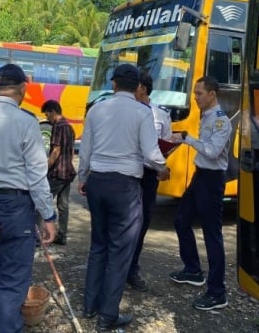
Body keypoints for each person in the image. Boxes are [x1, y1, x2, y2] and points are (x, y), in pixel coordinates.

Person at [78, 63, 169, 332]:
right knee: (119, 252)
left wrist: (83, 178)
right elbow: (151, 153)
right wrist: (163, 169)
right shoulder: (143, 112)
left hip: (97, 182)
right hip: (125, 188)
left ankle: (89, 305)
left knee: (98, 245)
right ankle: (108, 315)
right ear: (137, 86)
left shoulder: (96, 109)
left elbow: (85, 150)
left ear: (114, 84)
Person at [0, 63, 57, 333]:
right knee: (13, 281)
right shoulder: (27, 123)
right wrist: (49, 216)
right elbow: (37, 177)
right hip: (17, 207)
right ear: (22, 89)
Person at [169, 76, 232, 311]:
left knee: (211, 235)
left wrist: (187, 140)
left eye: (199, 93)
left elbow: (213, 152)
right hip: (200, 176)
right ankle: (193, 270)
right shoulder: (206, 116)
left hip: (212, 180)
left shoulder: (220, 121)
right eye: (195, 93)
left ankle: (217, 292)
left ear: (212, 94)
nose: (195, 98)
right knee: (181, 220)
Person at [127, 71, 172, 292]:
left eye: (133, 87)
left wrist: (162, 162)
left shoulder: (161, 115)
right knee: (123, 222)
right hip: (128, 174)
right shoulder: (126, 112)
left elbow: (166, 144)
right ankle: (118, 266)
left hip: (149, 175)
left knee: (142, 223)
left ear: (142, 88)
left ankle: (132, 268)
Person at [41, 99, 76, 246]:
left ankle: (42, 235)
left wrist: (46, 168)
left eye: (47, 114)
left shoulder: (57, 127)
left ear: (53, 112)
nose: (47, 118)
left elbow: (56, 151)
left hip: (57, 173)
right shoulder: (69, 127)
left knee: (43, 202)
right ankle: (62, 235)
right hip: (68, 172)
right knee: (63, 206)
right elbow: (71, 151)